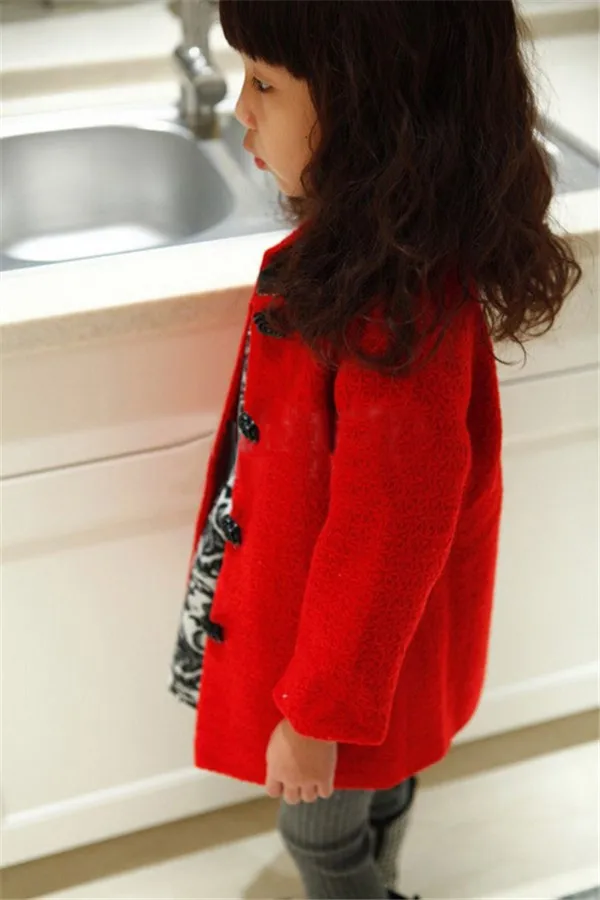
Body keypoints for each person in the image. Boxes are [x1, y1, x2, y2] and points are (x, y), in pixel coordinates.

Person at [169, 2, 581, 897]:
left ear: (372, 111)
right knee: (379, 783)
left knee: (317, 829)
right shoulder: (382, 256)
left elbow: (390, 526)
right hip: (366, 647)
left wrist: (316, 715)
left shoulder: (392, 305)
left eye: (266, 83)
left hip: (343, 659)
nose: (243, 108)